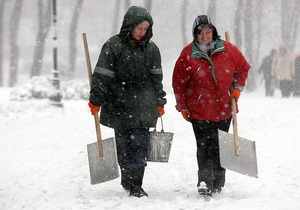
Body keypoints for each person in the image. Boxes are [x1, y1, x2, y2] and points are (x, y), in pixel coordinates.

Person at [88, 6, 166, 198]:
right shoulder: (113, 46)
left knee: (139, 146)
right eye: (139, 28)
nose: (142, 32)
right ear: (129, 26)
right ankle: (127, 176)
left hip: (143, 107)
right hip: (119, 105)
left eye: (145, 29)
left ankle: (136, 185)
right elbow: (102, 75)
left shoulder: (152, 49)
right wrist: (96, 99)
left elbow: (157, 77)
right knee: (123, 148)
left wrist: (159, 100)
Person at [172, 15, 250, 197]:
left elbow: (243, 68)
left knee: (220, 146)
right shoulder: (187, 54)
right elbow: (178, 82)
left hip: (224, 108)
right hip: (199, 109)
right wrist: (182, 106)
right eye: (201, 33)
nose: (205, 36)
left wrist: (237, 89)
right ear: (195, 34)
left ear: (213, 32)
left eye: (208, 32)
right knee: (204, 145)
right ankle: (205, 181)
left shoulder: (228, 50)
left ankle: (218, 181)